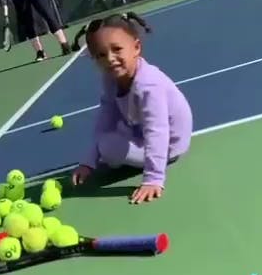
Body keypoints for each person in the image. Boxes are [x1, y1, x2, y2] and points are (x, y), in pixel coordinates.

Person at [71, 12, 192, 203]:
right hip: (139, 131)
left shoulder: (148, 85)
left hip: (169, 145)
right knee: (108, 138)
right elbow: (105, 120)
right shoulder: (110, 78)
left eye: (117, 49)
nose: (110, 59)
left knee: (109, 147)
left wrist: (153, 178)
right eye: (101, 55)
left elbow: (157, 130)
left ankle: (144, 163)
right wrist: (88, 161)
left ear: (136, 47)